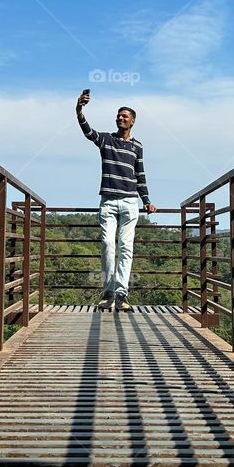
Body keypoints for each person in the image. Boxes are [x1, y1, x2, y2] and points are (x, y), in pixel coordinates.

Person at [76, 90, 156, 311]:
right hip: (109, 202)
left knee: (126, 247)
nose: (121, 118)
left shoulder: (137, 146)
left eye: (125, 116)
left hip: (131, 203)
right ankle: (108, 291)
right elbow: (87, 132)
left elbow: (140, 176)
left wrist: (147, 201)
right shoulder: (106, 140)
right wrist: (79, 109)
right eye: (118, 116)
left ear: (133, 121)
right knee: (108, 244)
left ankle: (121, 294)